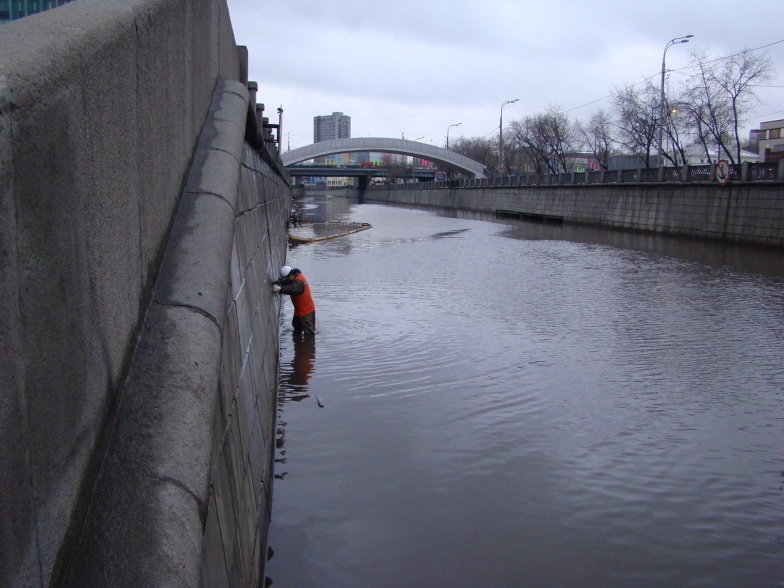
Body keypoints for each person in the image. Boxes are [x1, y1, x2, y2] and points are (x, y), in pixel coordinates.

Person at [273, 265, 316, 334]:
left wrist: (281, 289)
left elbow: (294, 289)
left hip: (306, 312)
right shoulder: (294, 277)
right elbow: (285, 281)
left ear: (290, 276)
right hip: (300, 310)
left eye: (286, 278)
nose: (285, 280)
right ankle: (298, 343)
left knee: (308, 333)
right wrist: (277, 283)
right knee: (296, 327)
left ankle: (308, 344)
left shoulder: (299, 281)